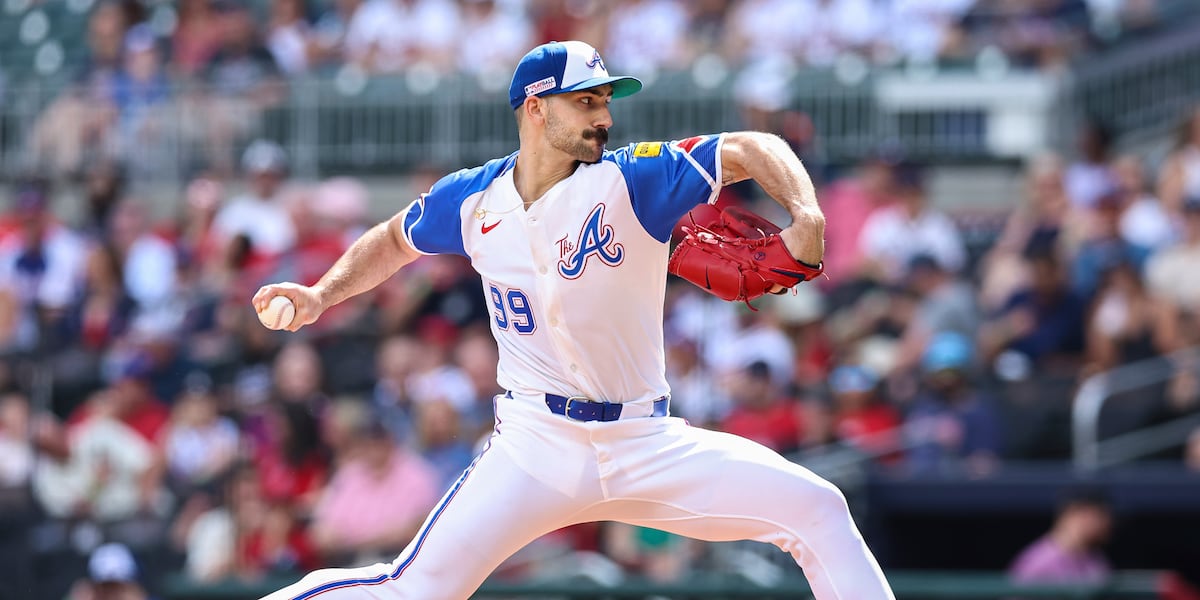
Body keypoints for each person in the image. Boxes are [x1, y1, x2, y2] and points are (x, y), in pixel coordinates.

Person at [254, 41, 894, 599]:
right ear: (536, 109)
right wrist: (319, 294)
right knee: (411, 588)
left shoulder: (634, 176)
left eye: (606, 101)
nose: (605, 116)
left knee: (818, 510)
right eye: (585, 101)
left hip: (645, 441)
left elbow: (753, 147)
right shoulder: (473, 198)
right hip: (534, 444)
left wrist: (805, 212)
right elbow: (395, 239)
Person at [1009, 488, 1113, 584]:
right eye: (1099, 517)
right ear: (1076, 514)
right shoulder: (1039, 561)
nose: (1107, 524)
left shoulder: (1096, 559)